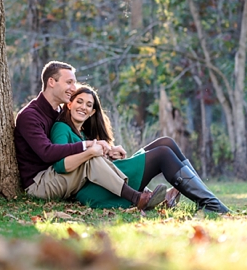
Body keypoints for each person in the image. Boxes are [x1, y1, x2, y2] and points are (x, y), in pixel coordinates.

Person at [50, 85, 230, 214]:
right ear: (69, 104)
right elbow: (62, 162)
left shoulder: (82, 132)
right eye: (79, 102)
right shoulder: (62, 128)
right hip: (92, 189)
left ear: (92, 112)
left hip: (107, 179)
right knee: (162, 154)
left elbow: (95, 163)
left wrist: (109, 153)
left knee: (165, 142)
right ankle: (211, 204)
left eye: (89, 105)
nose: (83, 107)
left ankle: (208, 200)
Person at [14, 61, 167, 210]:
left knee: (92, 156)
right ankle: (137, 197)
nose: (73, 88)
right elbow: (47, 153)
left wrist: (107, 151)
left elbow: (69, 146)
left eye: (74, 83)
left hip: (56, 175)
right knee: (90, 158)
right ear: (51, 82)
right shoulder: (30, 116)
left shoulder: (58, 113)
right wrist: (87, 146)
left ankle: (142, 194)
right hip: (39, 184)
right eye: (69, 82)